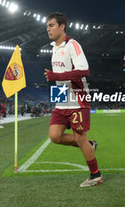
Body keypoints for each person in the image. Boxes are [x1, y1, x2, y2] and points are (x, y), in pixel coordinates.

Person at [44, 12, 103, 187]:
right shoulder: (54, 48)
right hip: (62, 98)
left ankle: (96, 175)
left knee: (79, 138)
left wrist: (56, 75)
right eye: (47, 26)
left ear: (62, 26)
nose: (48, 29)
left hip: (78, 99)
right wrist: (56, 83)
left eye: (51, 25)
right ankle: (89, 144)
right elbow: (60, 78)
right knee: (54, 136)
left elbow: (84, 70)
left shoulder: (72, 45)